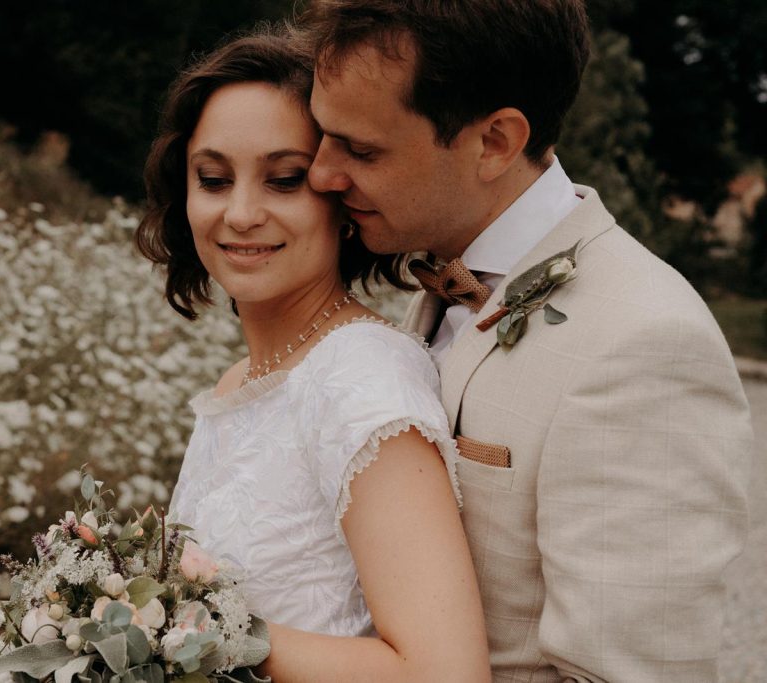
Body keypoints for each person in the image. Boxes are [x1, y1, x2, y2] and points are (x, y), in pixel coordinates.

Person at [300, 1, 754, 681]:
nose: (320, 174)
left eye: (361, 149)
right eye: (323, 135)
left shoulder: (648, 343)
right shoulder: (436, 284)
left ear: (495, 142)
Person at [136, 27, 491, 681]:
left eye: (284, 180)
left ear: (340, 195)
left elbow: (445, 671)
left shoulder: (361, 375)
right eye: (213, 179)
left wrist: (199, 632)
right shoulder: (245, 378)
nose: (241, 213)